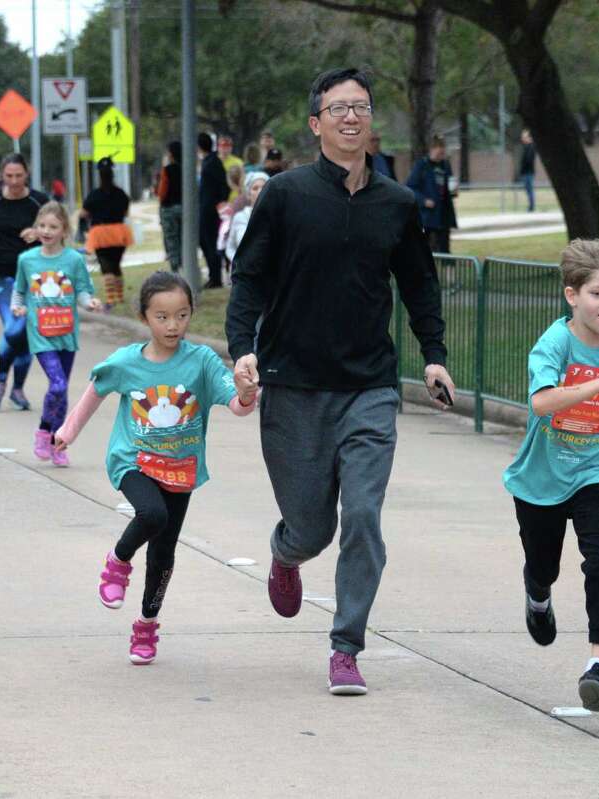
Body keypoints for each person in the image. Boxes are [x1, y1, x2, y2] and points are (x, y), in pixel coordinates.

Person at [226, 67, 454, 695]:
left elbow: (418, 286)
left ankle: (346, 645)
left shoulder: (397, 204)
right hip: (294, 385)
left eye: (361, 107)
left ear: (371, 119)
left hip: (368, 386)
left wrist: (433, 354)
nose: (351, 117)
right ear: (316, 122)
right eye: (338, 108)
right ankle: (286, 552)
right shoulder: (286, 195)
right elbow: (249, 279)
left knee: (362, 515)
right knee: (312, 527)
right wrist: (240, 350)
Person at [54, 271, 258, 664]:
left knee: (163, 554)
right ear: (145, 316)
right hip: (134, 461)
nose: (173, 325)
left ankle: (146, 625)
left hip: (180, 469)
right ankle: (118, 560)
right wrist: (67, 431)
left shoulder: (201, 361)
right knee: (151, 514)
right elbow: (94, 392)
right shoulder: (127, 361)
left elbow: (235, 404)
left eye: (181, 315)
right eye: (162, 317)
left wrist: (248, 395)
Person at [502, 239, 599, 714]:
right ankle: (537, 593)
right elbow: (542, 402)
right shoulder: (555, 344)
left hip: (595, 468)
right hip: (542, 477)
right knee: (544, 565)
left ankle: (598, 665)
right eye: (598, 294)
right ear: (572, 296)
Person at [11, 202, 100, 466]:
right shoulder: (27, 260)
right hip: (40, 334)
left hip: (66, 334)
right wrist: (17, 307)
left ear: (64, 230)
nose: (46, 231)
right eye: (42, 226)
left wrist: (89, 303)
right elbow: (20, 291)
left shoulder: (73, 260)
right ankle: (43, 432)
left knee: (61, 391)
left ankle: (58, 443)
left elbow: (83, 291)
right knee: (58, 384)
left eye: (53, 227)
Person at [0, 153, 49, 410]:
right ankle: (2, 381)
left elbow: (59, 227)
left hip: (34, 277)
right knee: (14, 327)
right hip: (1, 274)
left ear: (27, 174)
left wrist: (38, 232)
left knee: (24, 333)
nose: (14, 181)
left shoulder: (40, 201)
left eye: (19, 176)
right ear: (2, 175)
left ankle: (17, 389)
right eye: (9, 176)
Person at [81, 157, 134, 310]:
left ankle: (111, 300)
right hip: (119, 232)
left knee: (106, 267)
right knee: (116, 265)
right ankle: (120, 296)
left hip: (100, 234)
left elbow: (84, 213)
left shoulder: (94, 194)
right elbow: (125, 212)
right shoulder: (120, 193)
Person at [406, 135, 458, 254]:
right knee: (423, 250)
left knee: (445, 249)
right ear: (432, 149)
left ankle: (447, 272)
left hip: (444, 214)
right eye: (439, 151)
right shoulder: (422, 165)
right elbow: (410, 187)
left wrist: (453, 191)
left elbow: (449, 186)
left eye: (443, 151)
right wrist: (424, 201)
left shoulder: (445, 165)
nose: (441, 154)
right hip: (427, 216)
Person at [198, 132, 229, 289]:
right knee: (205, 243)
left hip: (209, 210)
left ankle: (215, 277)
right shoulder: (210, 162)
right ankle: (213, 275)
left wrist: (217, 204)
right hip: (207, 209)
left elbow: (223, 187)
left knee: (210, 243)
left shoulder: (212, 163)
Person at [225, 171, 268, 265]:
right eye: (255, 188)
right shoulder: (240, 217)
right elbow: (230, 246)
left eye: (263, 187)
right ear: (249, 194)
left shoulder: (277, 217)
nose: (260, 191)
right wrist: (238, 263)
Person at [157, 141, 183, 273]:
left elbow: (162, 192)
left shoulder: (167, 170)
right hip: (185, 209)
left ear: (171, 154)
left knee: (172, 239)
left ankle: (175, 268)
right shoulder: (187, 169)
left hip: (169, 208)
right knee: (183, 238)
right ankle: (186, 264)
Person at [519, 130, 537, 212]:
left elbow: (528, 160)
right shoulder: (526, 147)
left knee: (529, 190)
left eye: (524, 137)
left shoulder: (531, 147)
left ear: (529, 138)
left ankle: (531, 207)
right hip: (525, 172)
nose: (522, 139)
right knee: (528, 190)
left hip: (528, 172)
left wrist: (523, 169)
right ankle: (531, 206)